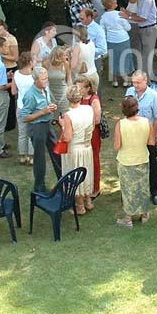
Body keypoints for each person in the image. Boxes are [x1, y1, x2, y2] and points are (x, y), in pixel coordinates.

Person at [126, 71, 157, 204]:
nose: (135, 85)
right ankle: (135, 189)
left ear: (145, 81)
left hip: (148, 135)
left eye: (138, 82)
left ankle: (154, 191)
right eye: (133, 82)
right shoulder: (129, 92)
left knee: (152, 163)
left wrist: (153, 136)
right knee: (134, 162)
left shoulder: (153, 95)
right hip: (132, 135)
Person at [21, 66, 61, 192]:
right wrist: (43, 112)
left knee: (56, 152)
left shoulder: (45, 88)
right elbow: (25, 117)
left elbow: (46, 104)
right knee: (40, 158)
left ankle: (62, 180)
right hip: (37, 127)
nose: (46, 81)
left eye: (47, 79)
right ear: (36, 80)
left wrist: (51, 107)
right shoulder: (30, 95)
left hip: (47, 124)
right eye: (43, 79)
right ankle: (39, 186)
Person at [114, 96, 152, 228]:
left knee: (128, 190)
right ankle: (144, 214)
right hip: (142, 158)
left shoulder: (121, 124)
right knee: (143, 188)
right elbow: (151, 142)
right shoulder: (147, 122)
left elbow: (117, 145)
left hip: (126, 160)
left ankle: (128, 218)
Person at [60, 84, 95, 215]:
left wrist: (63, 126)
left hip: (75, 148)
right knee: (87, 172)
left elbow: (68, 137)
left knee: (76, 175)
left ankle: (80, 206)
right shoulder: (88, 109)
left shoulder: (68, 115)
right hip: (87, 146)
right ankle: (88, 201)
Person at [125, 0, 157, 79]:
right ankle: (144, 77)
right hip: (144, 28)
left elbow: (143, 17)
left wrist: (128, 17)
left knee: (147, 55)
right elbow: (139, 14)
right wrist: (128, 14)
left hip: (148, 29)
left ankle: (147, 79)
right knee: (144, 55)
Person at [76, 76, 102, 198]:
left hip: (92, 133)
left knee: (94, 159)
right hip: (81, 133)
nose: (78, 90)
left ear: (88, 88)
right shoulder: (79, 99)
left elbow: (97, 120)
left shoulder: (94, 99)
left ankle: (96, 188)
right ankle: (86, 185)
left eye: (80, 88)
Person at [100, 0, 133, 87]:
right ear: (111, 3)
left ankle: (115, 80)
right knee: (125, 58)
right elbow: (128, 28)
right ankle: (126, 80)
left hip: (111, 41)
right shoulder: (119, 14)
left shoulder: (104, 17)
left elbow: (102, 30)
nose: (116, 1)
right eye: (114, 0)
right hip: (123, 40)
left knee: (113, 59)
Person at [12, 52, 35, 166]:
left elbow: (13, 91)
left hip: (20, 107)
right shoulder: (34, 76)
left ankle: (22, 156)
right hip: (32, 108)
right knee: (31, 132)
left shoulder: (16, 74)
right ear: (30, 62)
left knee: (22, 132)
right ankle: (31, 157)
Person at [69, 25, 99, 92]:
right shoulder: (91, 43)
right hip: (94, 74)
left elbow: (73, 66)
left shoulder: (78, 46)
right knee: (93, 99)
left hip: (83, 77)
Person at [46, 46, 72, 116]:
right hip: (51, 93)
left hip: (63, 94)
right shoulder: (47, 64)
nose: (65, 57)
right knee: (52, 117)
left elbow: (69, 78)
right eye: (64, 55)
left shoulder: (65, 64)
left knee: (64, 115)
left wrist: (70, 90)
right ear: (58, 56)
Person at [124, 0, 140, 71]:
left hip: (135, 25)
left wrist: (127, 13)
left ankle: (137, 67)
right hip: (129, 24)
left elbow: (139, 14)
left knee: (135, 47)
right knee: (131, 47)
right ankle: (133, 66)